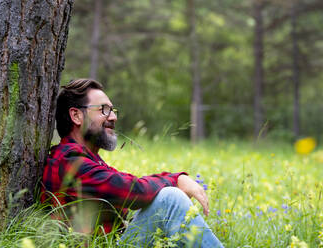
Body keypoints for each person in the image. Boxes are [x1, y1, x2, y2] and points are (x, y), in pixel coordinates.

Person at [41, 78, 224, 247]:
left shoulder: (87, 160)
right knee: (170, 200)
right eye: (104, 109)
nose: (113, 117)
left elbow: (123, 189)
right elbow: (132, 191)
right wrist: (176, 179)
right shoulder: (69, 161)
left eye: (113, 110)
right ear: (76, 116)